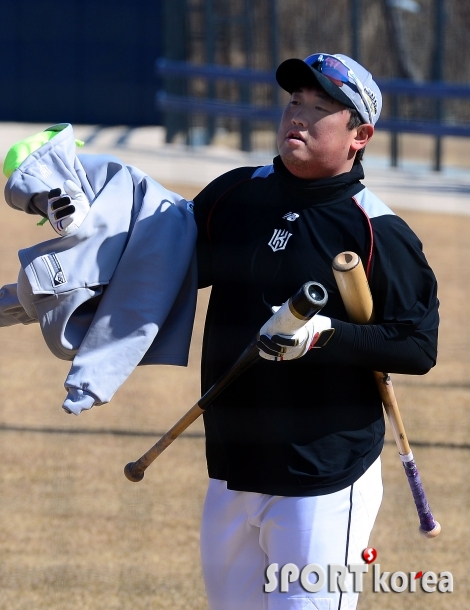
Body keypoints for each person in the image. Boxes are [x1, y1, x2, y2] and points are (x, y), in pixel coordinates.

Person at [192, 53, 439, 609]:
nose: (296, 118)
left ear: (360, 135)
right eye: (294, 103)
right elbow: (166, 265)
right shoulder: (235, 195)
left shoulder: (378, 230)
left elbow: (418, 346)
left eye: (319, 109)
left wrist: (325, 337)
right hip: (233, 463)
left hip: (323, 475)